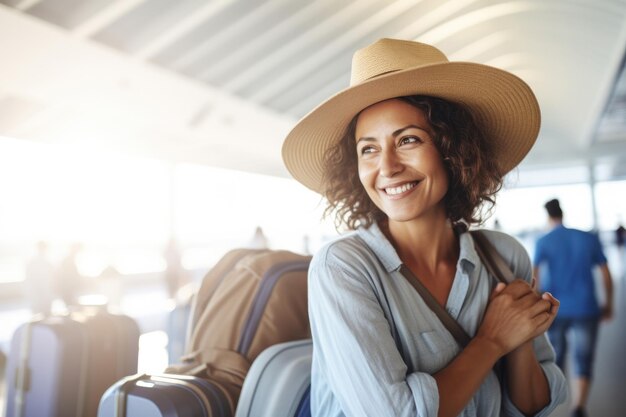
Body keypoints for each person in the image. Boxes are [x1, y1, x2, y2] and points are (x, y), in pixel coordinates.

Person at [281, 38, 567, 417]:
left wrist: (519, 340)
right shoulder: (343, 267)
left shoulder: (503, 255)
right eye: (368, 149)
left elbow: (534, 407)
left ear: (454, 149)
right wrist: (493, 340)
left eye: (408, 140)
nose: (386, 167)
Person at [533, 198, 614, 417]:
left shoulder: (544, 241)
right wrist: (609, 303)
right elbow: (605, 273)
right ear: (563, 213)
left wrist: (536, 306)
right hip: (586, 307)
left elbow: (534, 276)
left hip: (555, 310)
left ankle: (554, 404)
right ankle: (579, 406)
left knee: (556, 355)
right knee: (584, 357)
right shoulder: (587, 238)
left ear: (548, 216)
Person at [24, 240, 55, 315]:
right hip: (40, 291)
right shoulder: (36, 260)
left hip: (42, 290)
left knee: (41, 310)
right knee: (41, 311)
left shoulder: (37, 260)